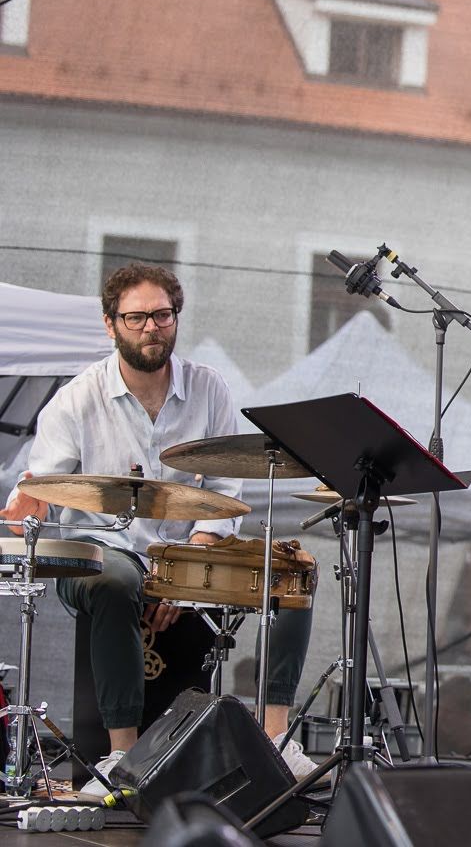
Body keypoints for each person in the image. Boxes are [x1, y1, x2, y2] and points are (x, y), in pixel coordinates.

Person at [0, 263, 319, 793]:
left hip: (188, 553)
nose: (152, 327)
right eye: (137, 317)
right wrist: (25, 508)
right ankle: (120, 756)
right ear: (110, 325)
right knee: (116, 580)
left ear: (177, 319)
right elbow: (42, 495)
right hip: (100, 555)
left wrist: (187, 569)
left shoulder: (208, 388)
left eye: (163, 315)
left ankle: (276, 739)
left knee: (291, 573)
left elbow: (225, 495)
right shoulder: (76, 400)